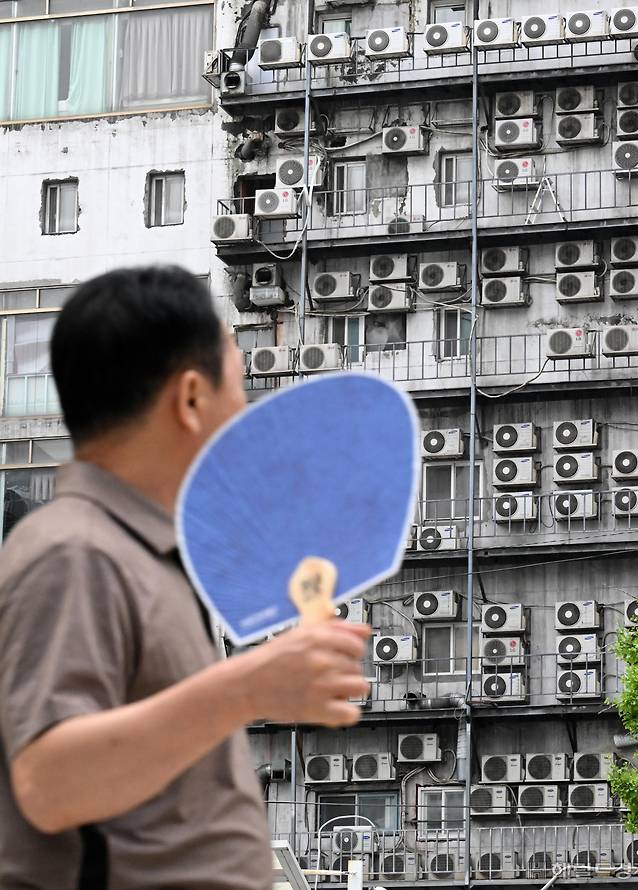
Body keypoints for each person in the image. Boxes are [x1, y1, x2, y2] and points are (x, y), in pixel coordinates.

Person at [0, 266, 371, 890]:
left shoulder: (138, 554)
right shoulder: (75, 552)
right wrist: (247, 688)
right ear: (192, 398)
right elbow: (50, 782)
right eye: (240, 386)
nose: (244, 414)